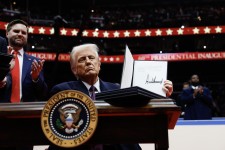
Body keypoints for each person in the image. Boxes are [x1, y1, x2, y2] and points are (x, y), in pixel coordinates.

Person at [47, 43, 173, 150]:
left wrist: (161, 94)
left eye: (91, 58)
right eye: (82, 59)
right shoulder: (62, 91)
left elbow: (140, 109)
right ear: (74, 69)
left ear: (99, 64)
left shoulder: (118, 89)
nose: (88, 62)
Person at [0, 19, 48, 103]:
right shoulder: (0, 56)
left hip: (25, 111)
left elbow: (43, 94)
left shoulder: (35, 62)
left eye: (23, 33)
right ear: (7, 33)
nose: (20, 34)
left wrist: (35, 79)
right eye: (16, 31)